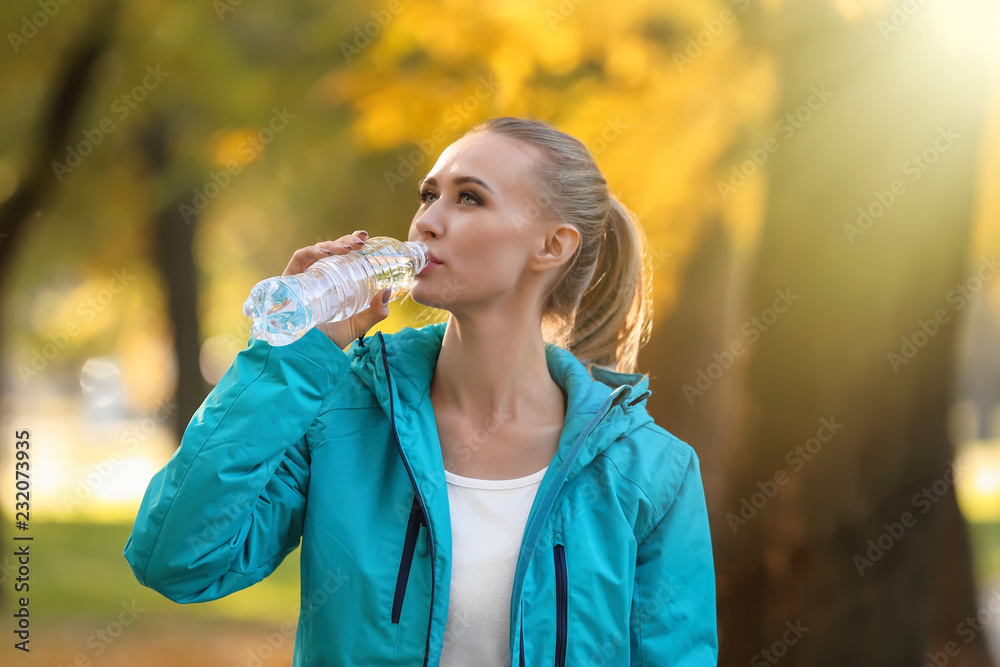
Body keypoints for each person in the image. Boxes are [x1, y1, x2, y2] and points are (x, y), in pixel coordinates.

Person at [124, 116, 718, 666]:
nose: (428, 220)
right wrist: (295, 354)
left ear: (552, 246)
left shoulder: (650, 472)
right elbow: (178, 560)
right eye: (429, 195)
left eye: (470, 198)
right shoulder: (344, 418)